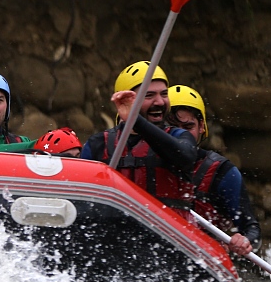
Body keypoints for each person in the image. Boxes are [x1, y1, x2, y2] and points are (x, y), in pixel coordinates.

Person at [80, 61, 198, 209]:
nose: (160, 102)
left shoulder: (180, 136)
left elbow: (185, 158)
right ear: (124, 102)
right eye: (149, 95)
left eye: (164, 94)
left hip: (165, 224)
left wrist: (136, 121)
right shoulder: (97, 144)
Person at [167, 84, 260, 257]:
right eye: (172, 127)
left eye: (188, 127)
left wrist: (244, 240)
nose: (180, 135)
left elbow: (252, 229)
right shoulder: (145, 162)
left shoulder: (223, 173)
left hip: (203, 260)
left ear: (201, 127)